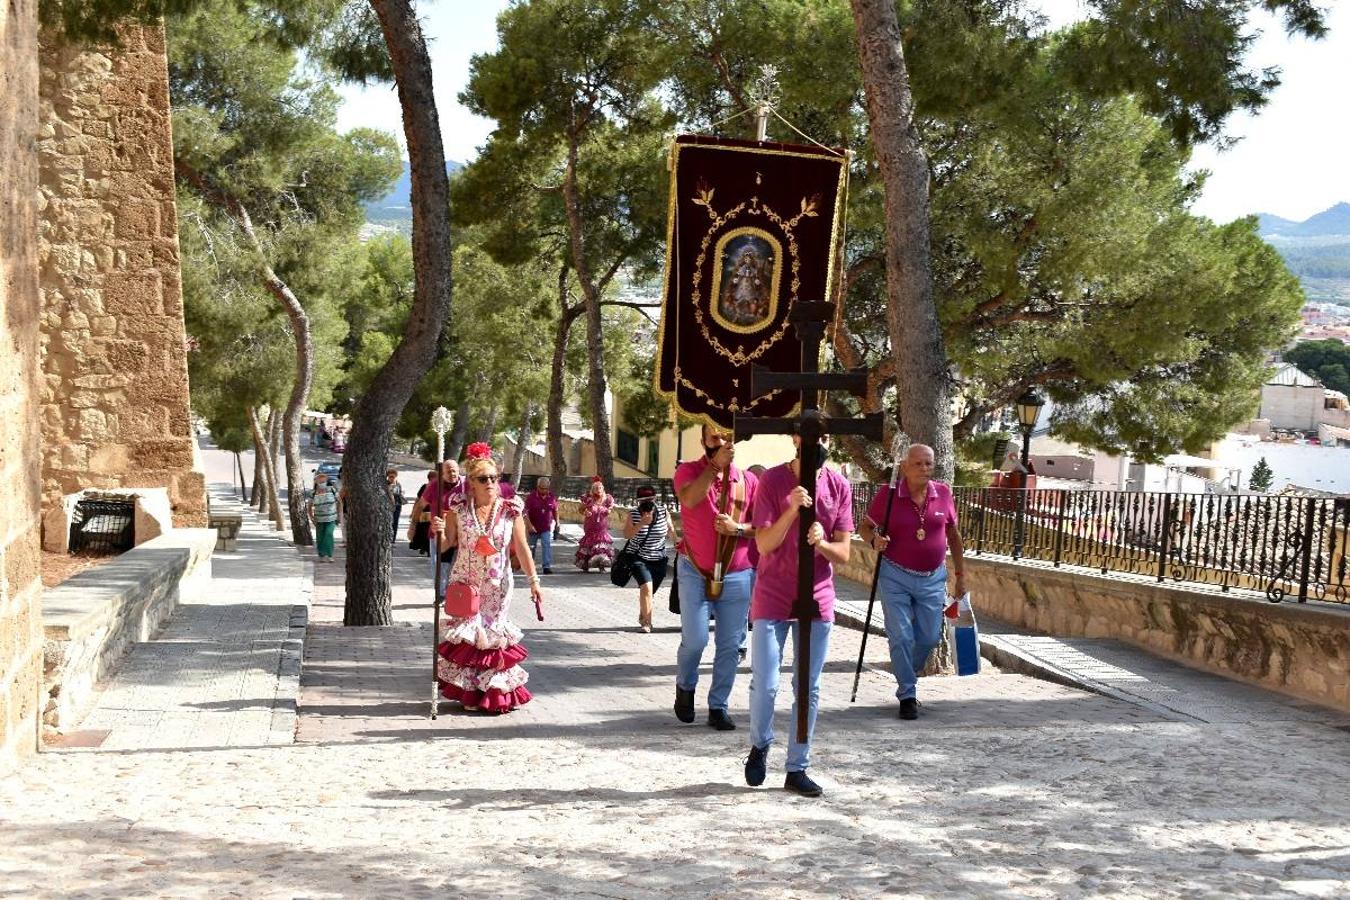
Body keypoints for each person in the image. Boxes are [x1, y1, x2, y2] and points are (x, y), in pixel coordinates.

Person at [743, 435, 853, 798]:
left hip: (817, 595)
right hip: (773, 593)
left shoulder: (838, 485)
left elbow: (844, 553)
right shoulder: (772, 480)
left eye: (824, 436)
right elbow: (763, 544)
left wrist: (821, 543)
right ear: (795, 438)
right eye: (810, 435)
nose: (818, 442)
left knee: (808, 686)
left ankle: (797, 766)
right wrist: (791, 510)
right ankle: (760, 744)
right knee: (767, 682)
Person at [858, 443, 968, 720]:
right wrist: (874, 540)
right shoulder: (889, 494)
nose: (924, 468)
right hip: (894, 574)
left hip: (933, 577)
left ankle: (906, 671)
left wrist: (961, 575)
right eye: (917, 463)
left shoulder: (942, 492)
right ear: (904, 466)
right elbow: (865, 526)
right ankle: (907, 693)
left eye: (928, 463)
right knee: (901, 635)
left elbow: (953, 536)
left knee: (930, 637)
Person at [431, 442, 543, 713]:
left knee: (491, 634)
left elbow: (523, 548)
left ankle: (493, 692)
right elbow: (447, 545)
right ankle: (471, 692)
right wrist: (439, 530)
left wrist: (534, 581)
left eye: (495, 478)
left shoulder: (510, 510)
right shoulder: (458, 508)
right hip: (466, 584)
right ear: (471, 482)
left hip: (498, 585)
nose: (491, 483)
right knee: (470, 637)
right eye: (483, 479)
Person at [673, 424, 758, 730]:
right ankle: (685, 686)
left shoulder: (747, 481)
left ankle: (718, 705)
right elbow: (690, 499)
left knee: (730, 645)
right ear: (704, 440)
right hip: (694, 570)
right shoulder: (688, 471)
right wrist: (713, 466)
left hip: (737, 573)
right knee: (695, 640)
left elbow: (763, 527)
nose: (720, 442)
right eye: (714, 438)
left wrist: (738, 529)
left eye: (726, 438)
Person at [408, 459, 465, 594]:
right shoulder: (434, 486)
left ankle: (453, 595)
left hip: (460, 534)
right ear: (442, 474)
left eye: (454, 471)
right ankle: (441, 595)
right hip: (438, 533)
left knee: (457, 567)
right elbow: (420, 506)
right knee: (440, 568)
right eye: (448, 471)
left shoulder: (466, 485)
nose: (452, 474)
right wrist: (413, 526)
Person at [622, 483, 670, 633]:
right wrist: (642, 523)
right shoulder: (634, 514)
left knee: (650, 591)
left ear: (655, 498)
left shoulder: (663, 512)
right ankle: (647, 623)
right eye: (642, 501)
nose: (646, 503)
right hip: (638, 557)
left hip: (659, 558)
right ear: (638, 501)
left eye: (649, 499)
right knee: (647, 588)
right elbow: (627, 535)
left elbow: (670, 529)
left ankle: (643, 614)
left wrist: (677, 541)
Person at [576, 477, 615, 573]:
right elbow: (580, 509)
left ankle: (601, 566)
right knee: (589, 545)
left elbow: (610, 509)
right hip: (590, 526)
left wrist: (608, 510)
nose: (598, 490)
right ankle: (585, 564)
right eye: (596, 488)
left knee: (601, 546)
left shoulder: (607, 499)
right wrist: (585, 513)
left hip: (602, 527)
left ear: (603, 489)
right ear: (593, 489)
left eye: (600, 488)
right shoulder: (588, 499)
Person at [524, 477, 559, 575]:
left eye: (546, 488)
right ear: (537, 487)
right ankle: (530, 566)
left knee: (546, 545)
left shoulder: (551, 497)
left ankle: (546, 567)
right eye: (542, 488)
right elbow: (525, 513)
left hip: (546, 527)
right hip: (533, 527)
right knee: (532, 547)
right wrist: (529, 525)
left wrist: (557, 523)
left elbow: (555, 510)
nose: (544, 490)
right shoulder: (531, 497)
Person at [307, 471, 341, 563]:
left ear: (326, 480)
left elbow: (339, 502)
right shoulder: (313, 493)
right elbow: (309, 506)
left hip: (331, 518)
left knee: (328, 535)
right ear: (316, 481)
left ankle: (330, 555)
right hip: (319, 519)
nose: (322, 483)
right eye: (320, 481)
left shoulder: (332, 490)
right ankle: (321, 555)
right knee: (320, 537)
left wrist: (338, 515)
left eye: (323, 481)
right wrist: (311, 518)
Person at [409, 470, 437, 556]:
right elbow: (418, 500)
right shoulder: (424, 487)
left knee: (430, 531)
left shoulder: (438, 487)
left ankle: (428, 550)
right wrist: (413, 512)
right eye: (431, 478)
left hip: (433, 512)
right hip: (423, 512)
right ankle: (424, 547)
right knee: (422, 531)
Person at [386, 469, 405, 544]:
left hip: (397, 505)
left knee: (395, 522)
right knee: (389, 521)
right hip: (389, 506)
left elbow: (399, 493)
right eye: (390, 476)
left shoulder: (398, 484)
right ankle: (388, 538)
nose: (392, 478)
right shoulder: (386, 484)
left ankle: (393, 539)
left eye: (393, 476)